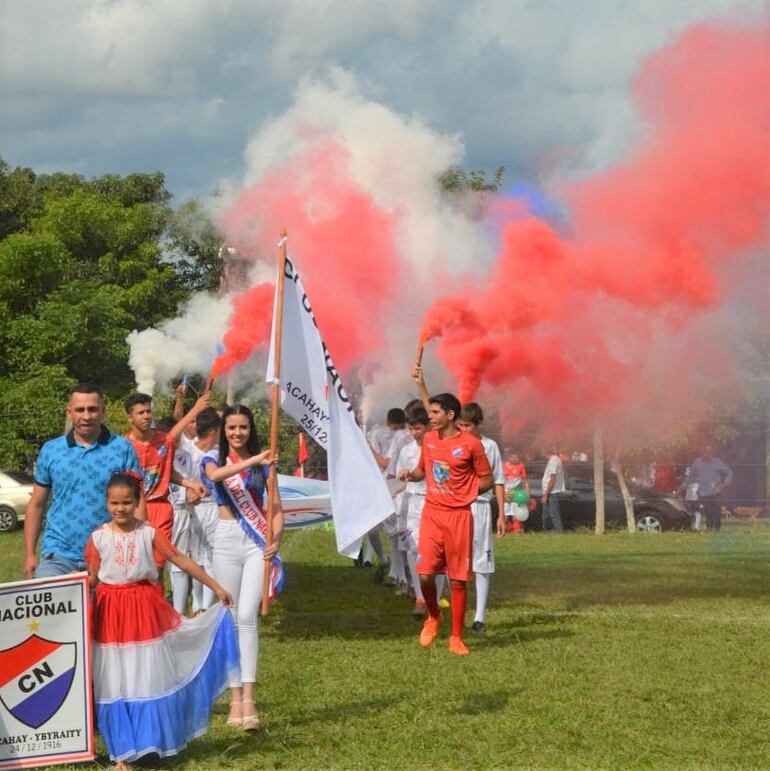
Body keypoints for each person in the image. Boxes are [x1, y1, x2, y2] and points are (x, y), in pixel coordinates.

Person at [86, 473, 238, 769]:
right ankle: (122, 753)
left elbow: (179, 558)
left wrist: (216, 586)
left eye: (126, 502)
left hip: (143, 611)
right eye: (115, 503)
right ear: (106, 503)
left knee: (143, 674)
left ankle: (146, 742)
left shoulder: (149, 533)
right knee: (113, 678)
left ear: (137, 502)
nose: (120, 509)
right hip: (109, 614)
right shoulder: (98, 538)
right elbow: (91, 578)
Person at [202, 404, 285, 730]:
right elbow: (214, 477)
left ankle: (248, 697)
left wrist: (275, 539)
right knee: (231, 617)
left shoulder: (266, 465)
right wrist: (255, 460)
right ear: (224, 430)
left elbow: (275, 507)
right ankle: (234, 696)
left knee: (248, 617)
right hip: (225, 538)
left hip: (254, 542)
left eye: (244, 427)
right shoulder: (213, 458)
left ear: (252, 429)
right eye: (232, 428)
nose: (238, 433)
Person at [400, 367, 493, 656]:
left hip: (459, 517)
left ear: (450, 415)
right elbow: (421, 471)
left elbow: (487, 479)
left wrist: (465, 493)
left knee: (458, 580)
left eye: (436, 413)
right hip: (432, 514)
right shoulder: (429, 439)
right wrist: (411, 475)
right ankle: (433, 615)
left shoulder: (471, 445)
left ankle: (456, 637)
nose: (431, 416)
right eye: (431, 412)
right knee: (425, 575)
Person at [23, 383, 145, 579]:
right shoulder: (51, 450)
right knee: (53, 598)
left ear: (102, 411)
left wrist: (139, 546)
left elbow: (138, 500)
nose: (86, 416)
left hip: (109, 554)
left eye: (92, 409)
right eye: (80, 410)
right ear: (69, 412)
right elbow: (37, 504)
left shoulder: (123, 448)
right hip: (58, 555)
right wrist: (29, 554)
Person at [124, 392, 209, 567]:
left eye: (148, 411)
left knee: (157, 564)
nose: (146, 416)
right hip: (134, 508)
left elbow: (165, 472)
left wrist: (192, 484)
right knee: (135, 563)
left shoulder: (163, 440)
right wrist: (195, 408)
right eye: (140, 413)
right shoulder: (123, 446)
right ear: (130, 418)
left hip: (160, 507)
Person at [456, 403, 506, 634]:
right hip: (457, 507)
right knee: (455, 559)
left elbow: (498, 481)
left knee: (481, 560)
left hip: (481, 507)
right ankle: (455, 611)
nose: (463, 429)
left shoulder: (489, 446)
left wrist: (501, 515)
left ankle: (479, 617)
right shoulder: (453, 443)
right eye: (460, 425)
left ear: (478, 425)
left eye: (467, 425)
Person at [395, 407, 430, 615]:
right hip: (412, 503)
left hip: (433, 502)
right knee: (412, 548)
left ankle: (434, 597)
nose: (414, 433)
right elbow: (399, 479)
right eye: (411, 429)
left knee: (434, 551)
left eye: (418, 428)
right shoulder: (406, 451)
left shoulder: (436, 447)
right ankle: (419, 596)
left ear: (427, 427)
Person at [680, 444, 733, 531]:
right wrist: (683, 487)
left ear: (711, 452)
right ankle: (710, 528)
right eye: (705, 451)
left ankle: (716, 529)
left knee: (716, 511)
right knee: (708, 512)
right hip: (704, 492)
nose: (707, 453)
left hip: (716, 492)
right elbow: (690, 477)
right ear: (702, 453)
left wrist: (724, 484)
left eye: (709, 451)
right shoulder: (697, 463)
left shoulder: (717, 462)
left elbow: (729, 472)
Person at [503, 450, 530, 533]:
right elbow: (499, 482)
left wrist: (527, 493)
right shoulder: (502, 466)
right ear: (509, 457)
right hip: (506, 492)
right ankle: (504, 530)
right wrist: (503, 494)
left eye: (517, 457)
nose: (516, 459)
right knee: (505, 513)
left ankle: (517, 530)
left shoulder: (521, 466)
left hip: (517, 492)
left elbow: (525, 481)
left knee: (516, 513)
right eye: (514, 457)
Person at [541, 447, 566, 532]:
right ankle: (548, 531)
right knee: (546, 515)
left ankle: (558, 531)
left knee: (553, 514)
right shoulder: (555, 459)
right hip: (549, 492)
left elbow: (552, 478)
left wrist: (545, 495)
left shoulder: (553, 461)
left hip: (552, 492)